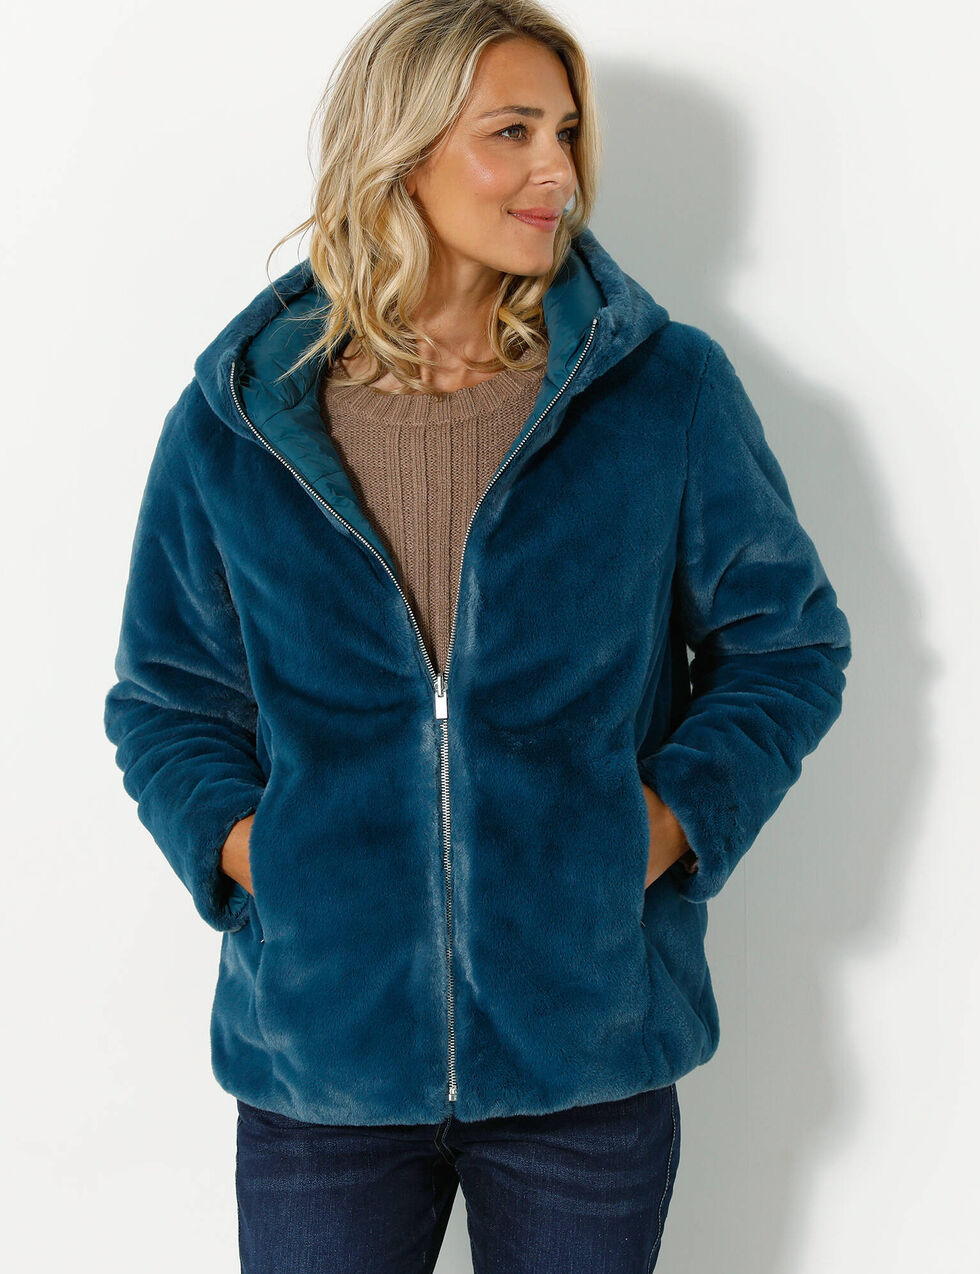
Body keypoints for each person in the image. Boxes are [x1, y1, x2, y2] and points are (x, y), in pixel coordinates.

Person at [103, 2, 852, 1270]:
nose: (557, 169)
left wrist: (657, 827)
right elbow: (167, 699)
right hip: (323, 1064)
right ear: (400, 152)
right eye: (511, 131)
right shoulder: (239, 420)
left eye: (565, 130)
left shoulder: (660, 393)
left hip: (585, 1058)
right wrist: (258, 853)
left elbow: (785, 645)